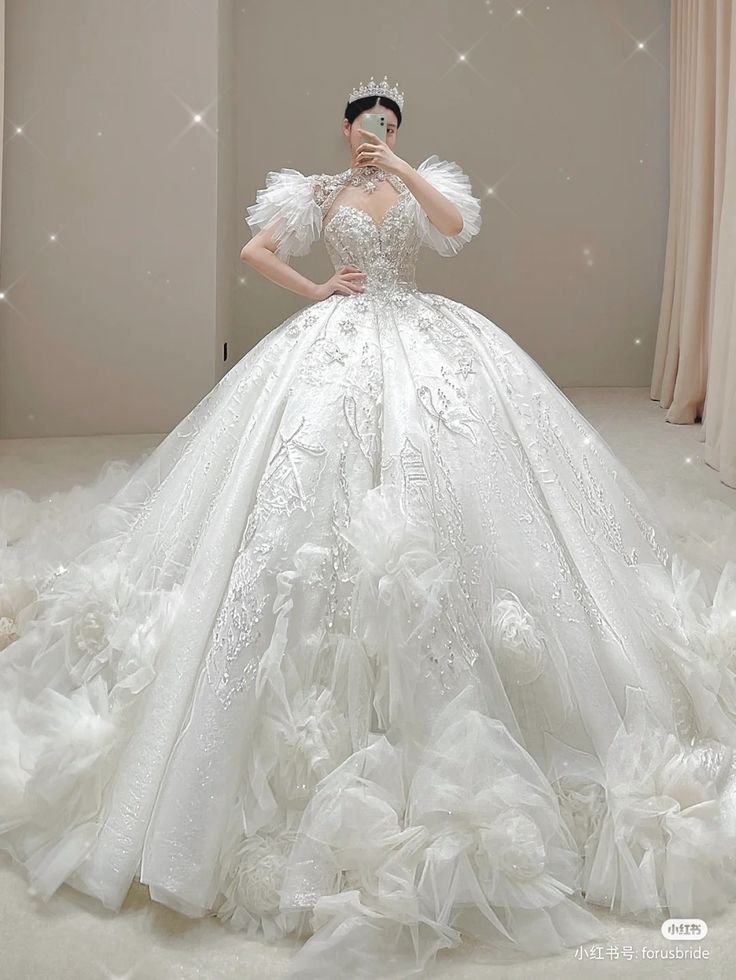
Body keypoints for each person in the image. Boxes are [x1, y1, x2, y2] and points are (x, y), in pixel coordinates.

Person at [2, 74, 736, 980]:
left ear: (396, 129)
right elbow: (253, 249)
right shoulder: (316, 193)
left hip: (424, 337)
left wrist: (401, 169)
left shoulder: (413, 182)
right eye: (361, 125)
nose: (371, 134)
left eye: (384, 124)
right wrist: (316, 286)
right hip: (339, 337)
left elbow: (457, 229)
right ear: (342, 129)